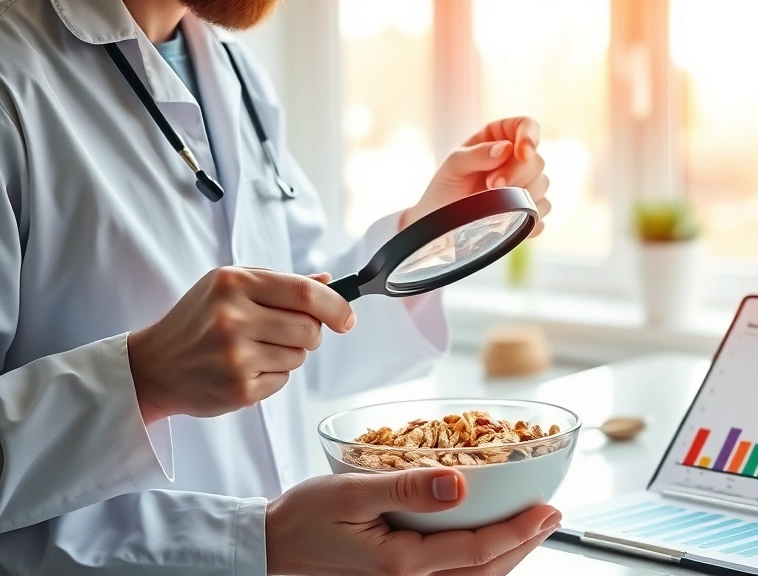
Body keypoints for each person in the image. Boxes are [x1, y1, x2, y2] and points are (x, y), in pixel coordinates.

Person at [0, 0, 555, 574]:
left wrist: (421, 242)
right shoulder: (12, 79)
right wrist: (144, 380)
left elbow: (300, 334)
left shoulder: (232, 70)